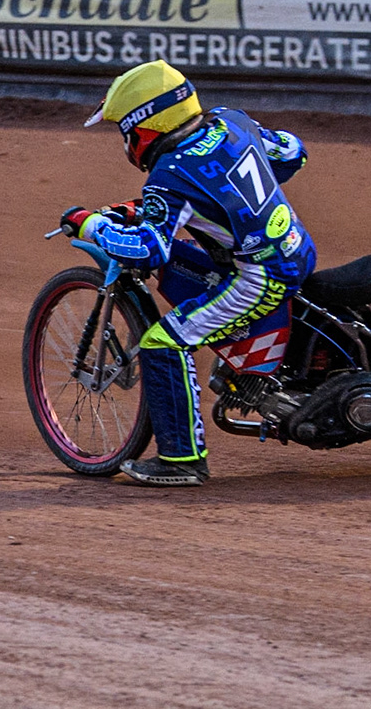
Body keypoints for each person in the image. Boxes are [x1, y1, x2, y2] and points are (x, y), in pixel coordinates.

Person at [61, 60, 314, 486]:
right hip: (296, 250)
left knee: (164, 341)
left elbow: (147, 251)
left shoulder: (169, 174)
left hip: (260, 276)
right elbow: (291, 153)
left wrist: (91, 224)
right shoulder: (232, 121)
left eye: (125, 129)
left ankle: (182, 461)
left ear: (143, 128)